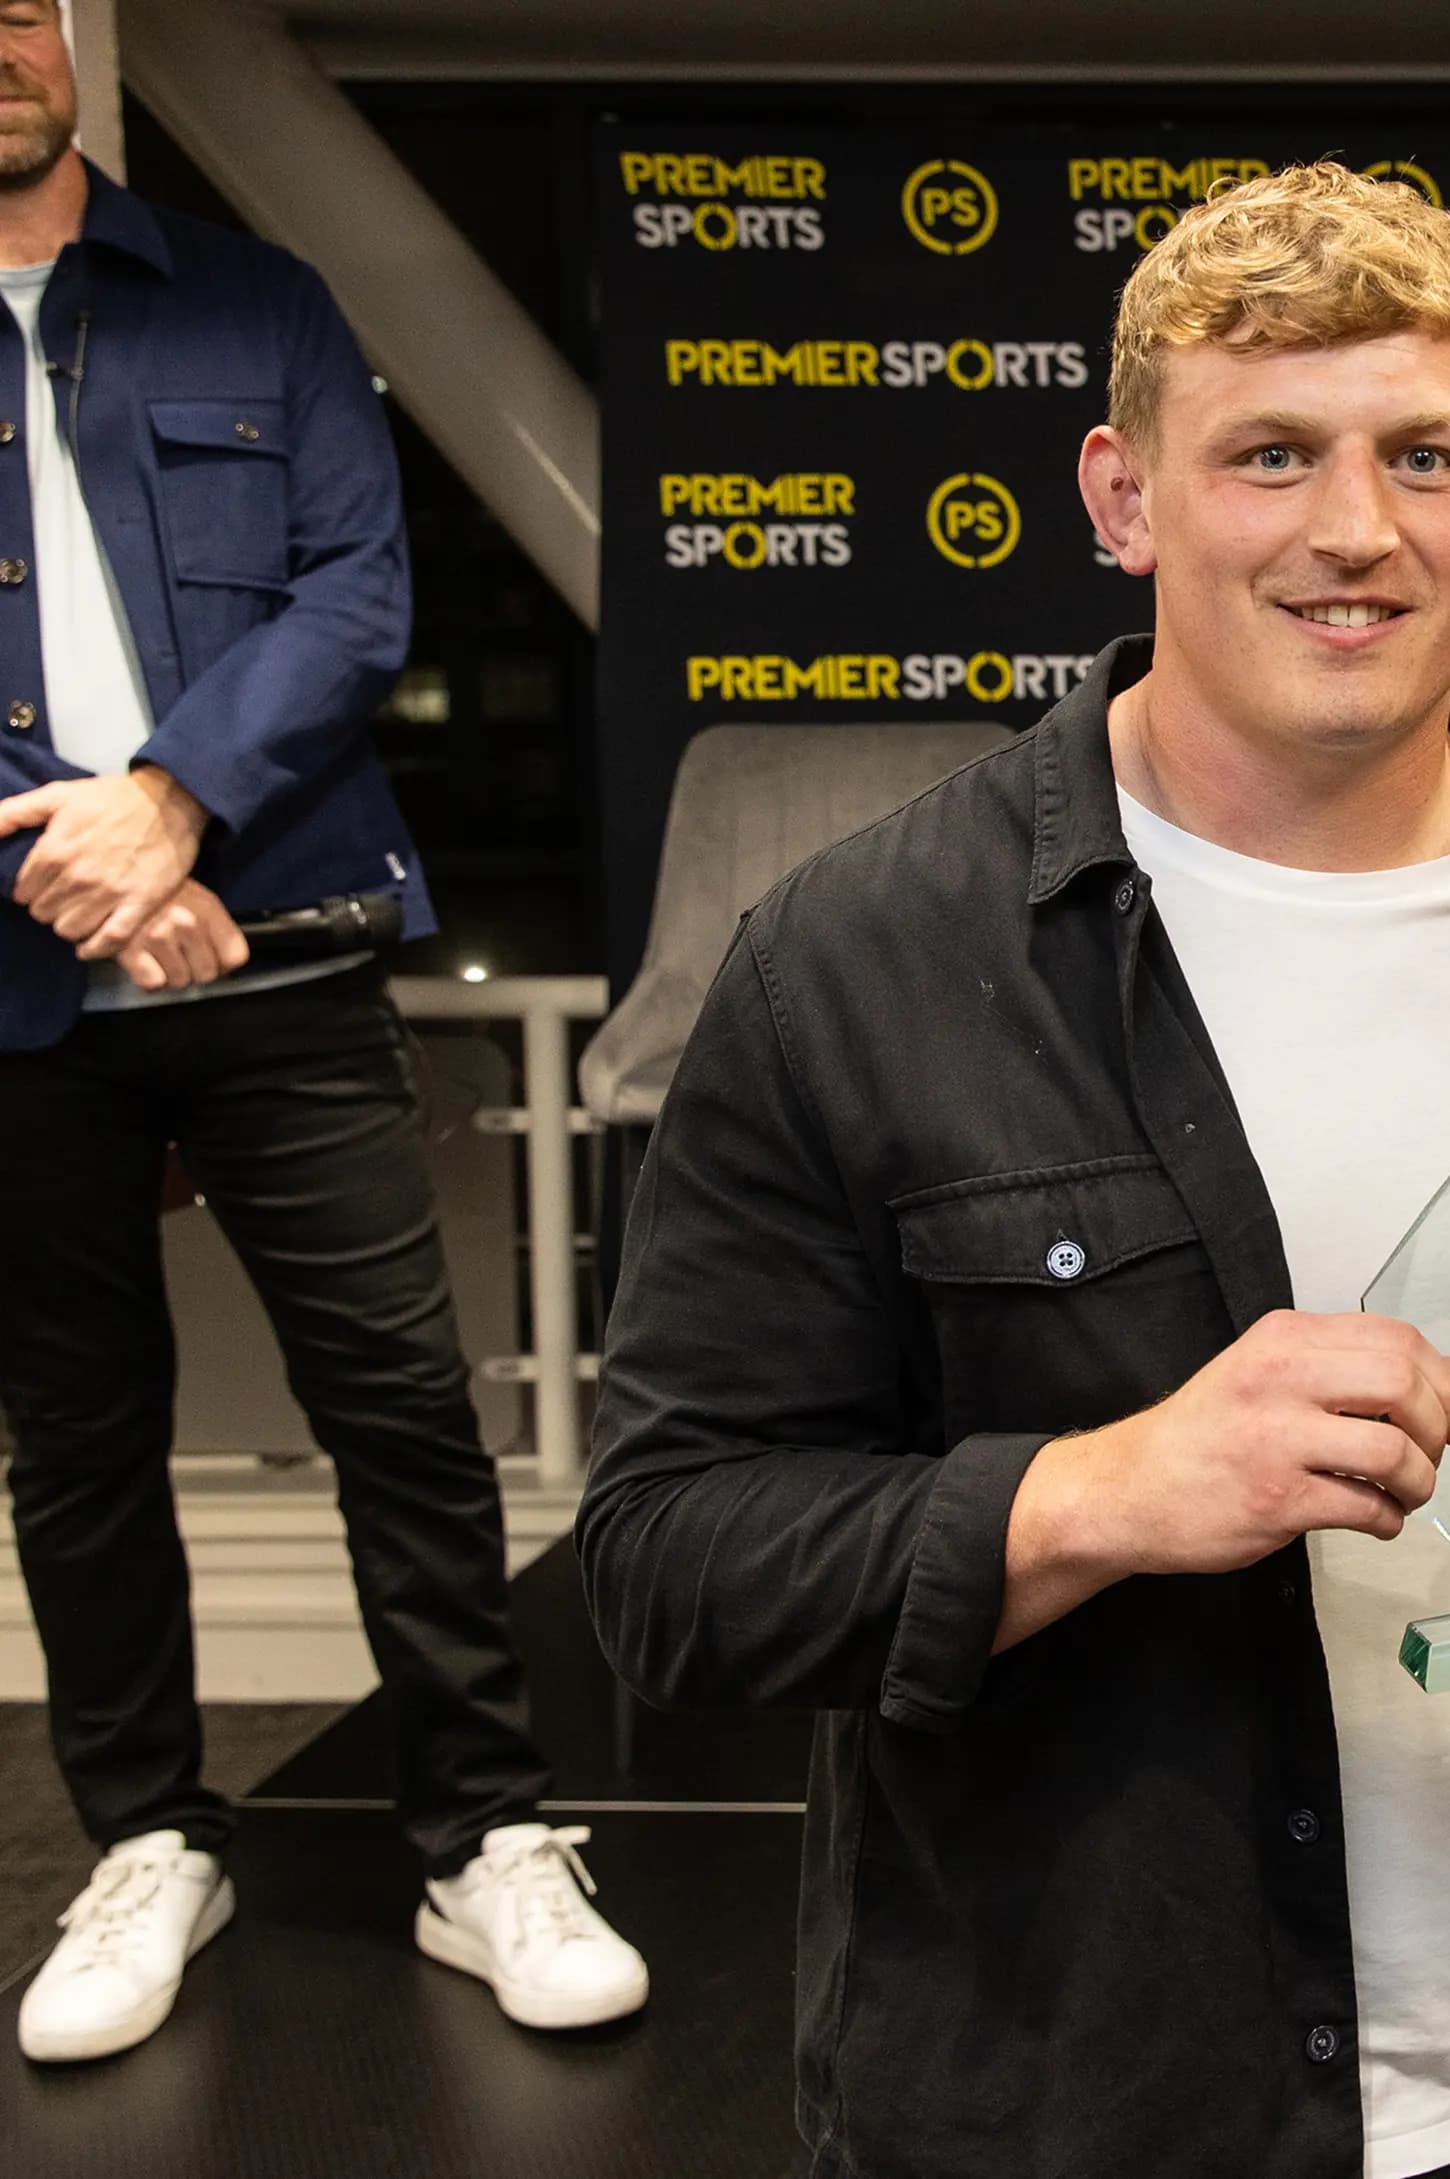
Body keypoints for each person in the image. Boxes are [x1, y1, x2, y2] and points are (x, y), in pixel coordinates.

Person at [579, 164, 1450, 2178]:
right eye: (1269, 453)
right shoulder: (855, 960)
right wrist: (1102, 1489)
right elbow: (669, 1569)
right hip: (1086, 2108)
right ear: (1123, 497)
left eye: (1424, 456)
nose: (1354, 530)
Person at [0, 2, 644, 2063]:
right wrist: (83, 862)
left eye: (23, 3)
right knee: (79, 1445)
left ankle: (485, 1837)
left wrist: (165, 807)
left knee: (406, 1419)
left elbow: (358, 594)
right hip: (18, 986)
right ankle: (147, 1840)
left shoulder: (256, 305)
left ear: (70, 41)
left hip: (280, 949)